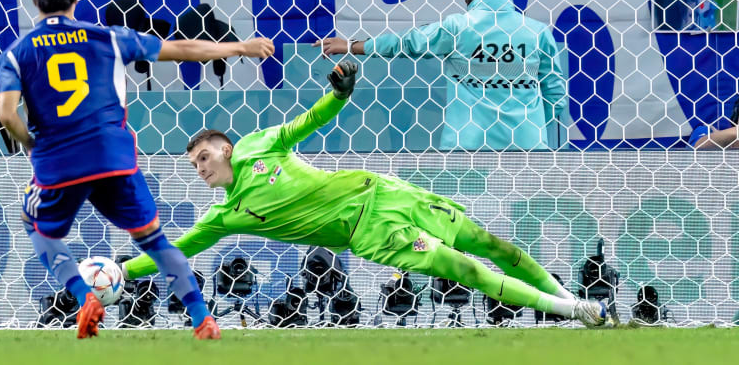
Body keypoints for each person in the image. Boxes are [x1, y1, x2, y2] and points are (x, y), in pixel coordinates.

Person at [120, 61, 609, 327]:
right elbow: (173, 251)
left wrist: (339, 93)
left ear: (225, 149)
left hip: (387, 194)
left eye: (203, 157)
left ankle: (573, 300)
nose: (199, 168)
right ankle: (572, 311)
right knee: (463, 268)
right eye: (193, 165)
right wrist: (123, 270)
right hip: (371, 234)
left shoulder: (260, 145)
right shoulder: (224, 216)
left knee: (489, 243)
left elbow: (308, 121)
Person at [0, 0, 275, 339]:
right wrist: (239, 46)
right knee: (154, 240)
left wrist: (32, 144)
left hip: (59, 163)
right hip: (114, 158)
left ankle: (82, 295)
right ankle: (202, 318)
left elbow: (7, 114)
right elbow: (183, 49)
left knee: (35, 222)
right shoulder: (109, 38)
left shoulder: (18, 52)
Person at [315, 0, 567, 151]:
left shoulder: (458, 27)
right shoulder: (537, 32)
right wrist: (530, 127)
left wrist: (351, 45)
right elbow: (555, 95)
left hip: (468, 146)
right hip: (528, 147)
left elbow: (406, 44)